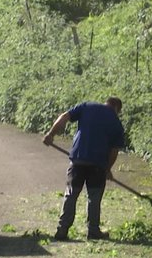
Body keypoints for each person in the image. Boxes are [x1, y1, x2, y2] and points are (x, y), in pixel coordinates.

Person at [43, 97, 125, 241]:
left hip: (78, 160)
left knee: (71, 194)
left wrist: (51, 134)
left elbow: (64, 117)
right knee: (94, 198)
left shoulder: (87, 106)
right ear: (117, 109)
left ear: (106, 103)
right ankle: (93, 231)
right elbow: (114, 150)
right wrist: (107, 169)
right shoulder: (116, 123)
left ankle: (62, 230)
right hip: (98, 164)